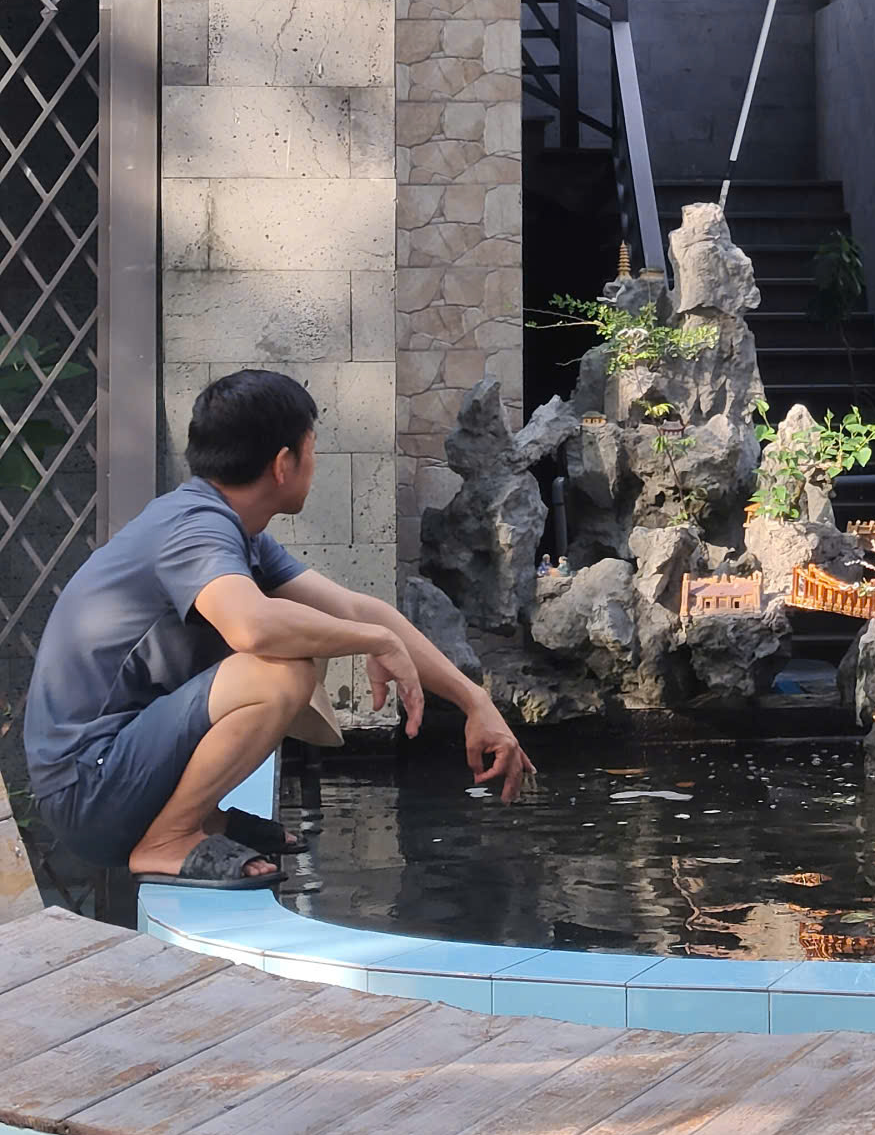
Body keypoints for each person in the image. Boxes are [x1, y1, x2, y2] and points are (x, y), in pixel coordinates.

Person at [25, 368, 534, 888]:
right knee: (282, 672)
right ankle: (168, 839)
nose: (315, 464)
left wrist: (475, 701)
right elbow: (252, 628)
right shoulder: (194, 527)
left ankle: (204, 821)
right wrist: (375, 643)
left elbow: (358, 609)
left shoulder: (232, 529)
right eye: (312, 449)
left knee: (295, 646)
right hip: (88, 787)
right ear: (284, 463)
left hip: (112, 774)